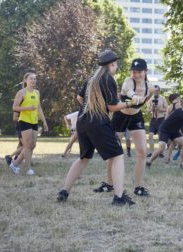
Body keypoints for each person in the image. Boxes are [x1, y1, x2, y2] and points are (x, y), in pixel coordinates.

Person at [57, 50, 135, 206]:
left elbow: (79, 98)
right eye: (116, 64)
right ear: (112, 64)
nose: (117, 66)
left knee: (83, 158)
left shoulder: (92, 79)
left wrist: (91, 107)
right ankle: (118, 198)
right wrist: (130, 103)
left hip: (82, 121)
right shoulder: (109, 79)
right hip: (98, 122)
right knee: (118, 155)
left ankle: (64, 191)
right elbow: (112, 107)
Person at [111, 58, 154, 196]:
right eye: (134, 72)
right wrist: (134, 95)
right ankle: (109, 183)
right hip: (121, 116)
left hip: (135, 116)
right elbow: (128, 91)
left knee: (142, 152)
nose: (136, 75)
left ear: (145, 71)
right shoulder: (128, 81)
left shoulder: (149, 85)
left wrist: (150, 100)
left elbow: (145, 101)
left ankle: (138, 187)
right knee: (114, 152)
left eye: (139, 72)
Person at [9, 72, 48, 175]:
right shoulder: (21, 92)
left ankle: (15, 164)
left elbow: (39, 108)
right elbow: (14, 107)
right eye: (31, 79)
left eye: (35, 79)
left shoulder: (37, 92)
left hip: (34, 121)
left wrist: (44, 122)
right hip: (24, 121)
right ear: (25, 80)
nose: (33, 81)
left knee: (32, 145)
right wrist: (27, 108)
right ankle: (28, 169)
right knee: (27, 145)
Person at [147, 85, 167, 157]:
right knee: (150, 135)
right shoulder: (150, 99)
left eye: (157, 90)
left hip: (161, 118)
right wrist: (152, 108)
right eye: (155, 90)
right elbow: (148, 111)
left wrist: (159, 109)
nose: (156, 92)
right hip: (153, 119)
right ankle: (151, 152)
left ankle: (161, 152)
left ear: (159, 91)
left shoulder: (163, 98)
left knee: (160, 136)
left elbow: (166, 109)